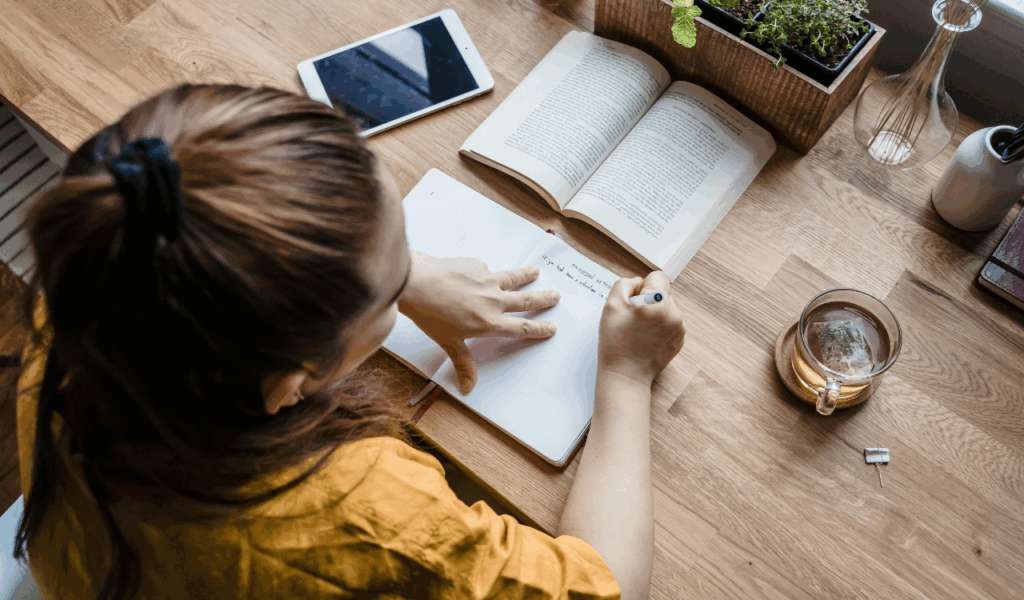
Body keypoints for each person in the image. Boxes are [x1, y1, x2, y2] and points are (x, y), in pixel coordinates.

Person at [13, 84, 686, 600]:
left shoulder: (99, 278)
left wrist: (389, 274)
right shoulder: (363, 518)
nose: (409, 277)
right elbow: (606, 590)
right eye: (391, 292)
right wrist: (625, 376)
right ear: (290, 382)